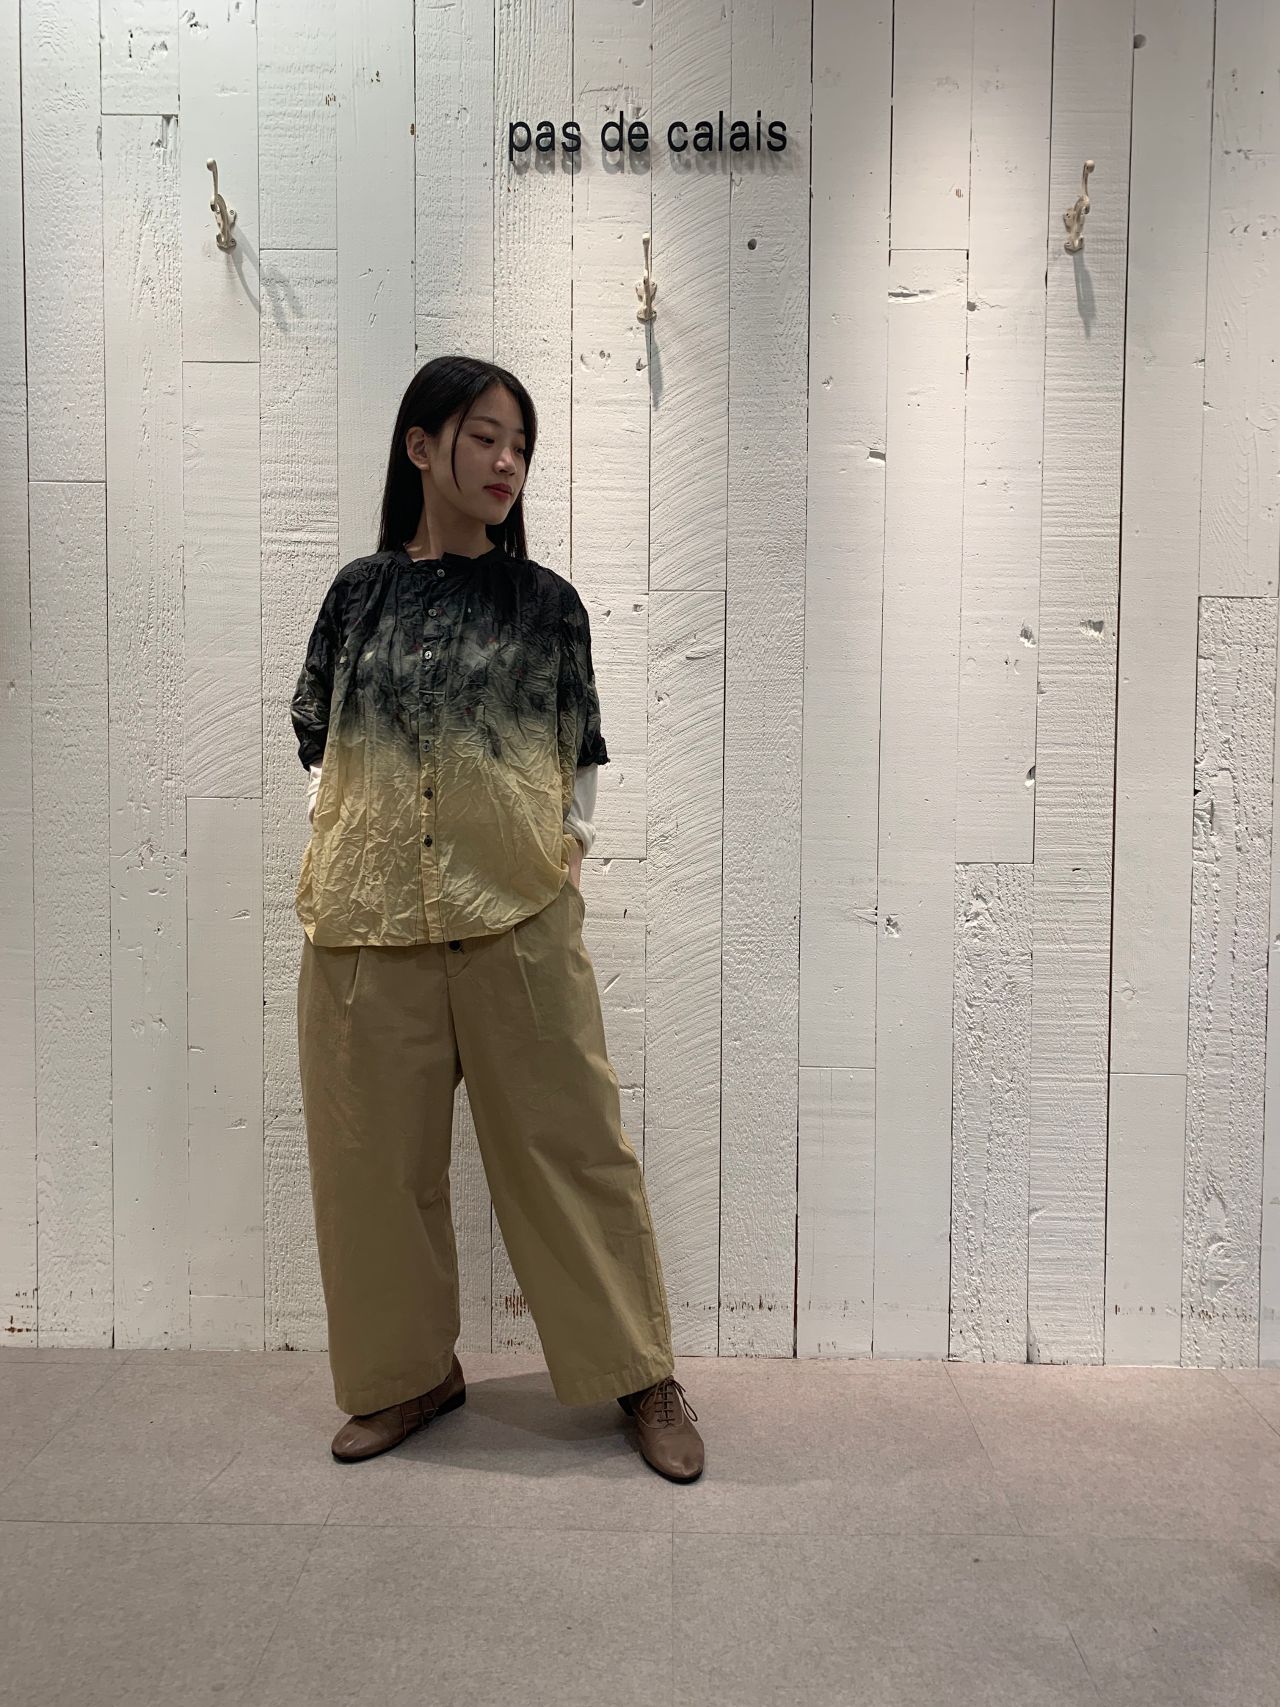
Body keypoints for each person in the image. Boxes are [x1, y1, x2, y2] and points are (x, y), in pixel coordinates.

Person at [290, 354, 703, 1481]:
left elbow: (580, 756)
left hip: (516, 919)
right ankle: (406, 1377)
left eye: (519, 444)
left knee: (574, 1151)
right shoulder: (356, 596)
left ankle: (639, 1372)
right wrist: (341, 836)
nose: (506, 461)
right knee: (372, 1171)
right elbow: (319, 741)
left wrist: (563, 853)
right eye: (483, 436)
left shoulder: (546, 607)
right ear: (421, 445)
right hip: (366, 927)